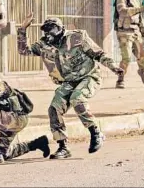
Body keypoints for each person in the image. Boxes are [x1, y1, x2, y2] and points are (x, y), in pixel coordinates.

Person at [17, 15, 124, 159]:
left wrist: (113, 67)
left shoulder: (77, 37)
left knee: (77, 99)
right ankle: (63, 147)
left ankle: (96, 133)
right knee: (54, 109)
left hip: (89, 76)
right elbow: (23, 51)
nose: (48, 34)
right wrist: (23, 29)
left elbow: (98, 54)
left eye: (51, 30)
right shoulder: (44, 45)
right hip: (68, 82)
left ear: (60, 29)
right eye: (46, 31)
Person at [113, 0, 144, 89]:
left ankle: (142, 71)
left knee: (142, 56)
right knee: (127, 57)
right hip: (124, 33)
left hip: (136, 32)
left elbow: (140, 20)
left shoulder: (135, 0)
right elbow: (122, 11)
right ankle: (120, 80)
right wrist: (139, 9)